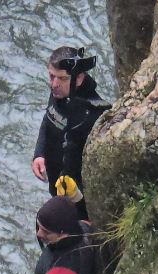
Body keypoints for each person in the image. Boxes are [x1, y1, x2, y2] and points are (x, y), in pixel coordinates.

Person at [31, 46, 112, 221]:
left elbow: (102, 168)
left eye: (62, 78)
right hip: (56, 181)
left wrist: (79, 199)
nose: (54, 84)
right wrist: (39, 154)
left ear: (79, 79)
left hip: (79, 195)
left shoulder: (94, 114)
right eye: (51, 76)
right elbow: (48, 120)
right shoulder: (58, 92)